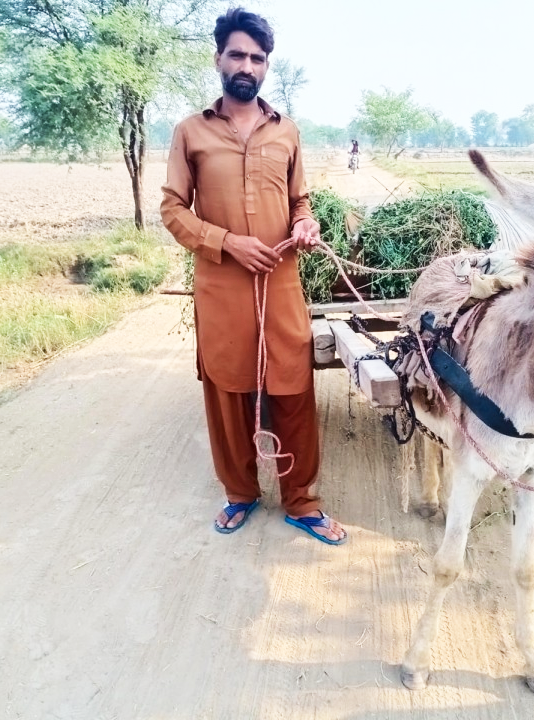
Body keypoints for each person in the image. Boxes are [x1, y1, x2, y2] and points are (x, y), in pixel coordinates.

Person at [160, 8, 346, 545]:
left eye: (257, 58)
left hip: (281, 286)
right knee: (228, 393)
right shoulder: (190, 132)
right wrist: (228, 242)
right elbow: (173, 209)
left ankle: (302, 501)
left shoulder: (286, 131)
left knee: (293, 388)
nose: (247, 65)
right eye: (237, 55)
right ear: (218, 58)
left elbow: (300, 201)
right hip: (221, 289)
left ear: (266, 66)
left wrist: (305, 224)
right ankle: (239, 493)